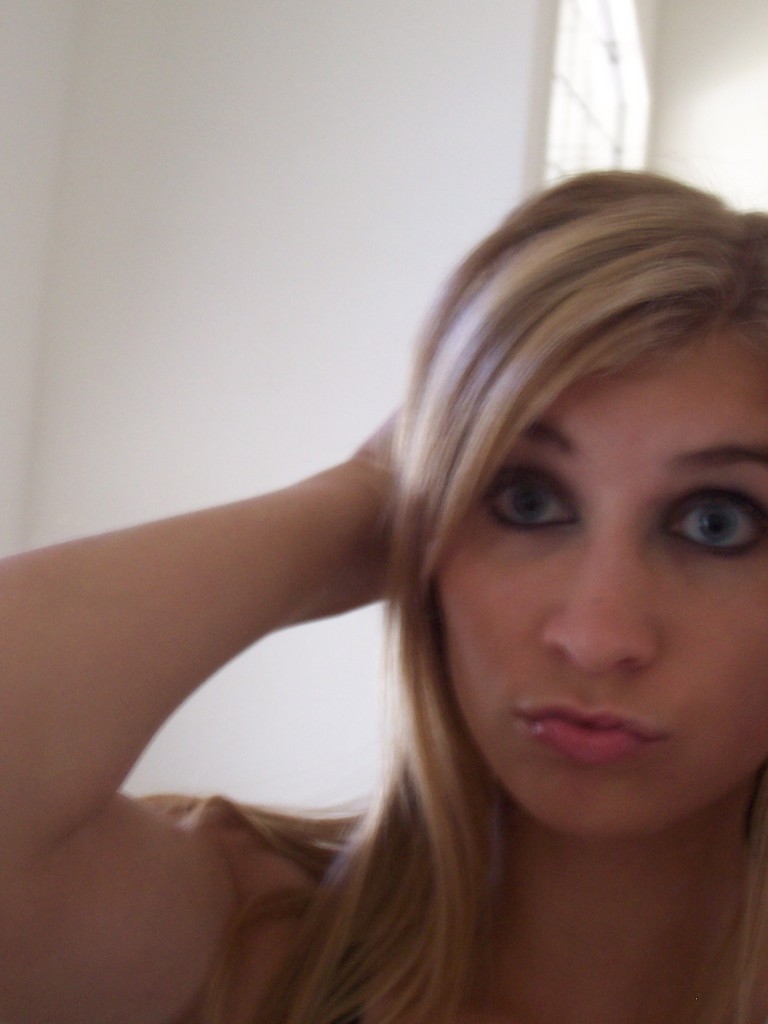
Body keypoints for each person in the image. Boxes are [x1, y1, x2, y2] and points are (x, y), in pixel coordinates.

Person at [2, 169, 768, 1024]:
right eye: (524, 500)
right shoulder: (248, 946)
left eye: (717, 524)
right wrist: (366, 497)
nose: (595, 635)